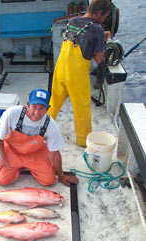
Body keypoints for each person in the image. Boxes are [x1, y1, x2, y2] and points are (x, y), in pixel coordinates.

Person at [48, 0, 112, 147]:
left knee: (54, 104)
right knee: (82, 109)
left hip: (61, 69)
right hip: (76, 76)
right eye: (104, 16)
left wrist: (102, 37)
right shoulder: (97, 30)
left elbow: (83, 36)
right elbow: (98, 57)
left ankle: (41, 131)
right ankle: (83, 141)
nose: (103, 20)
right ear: (98, 13)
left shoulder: (72, 21)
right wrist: (103, 40)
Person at [0, 88, 78, 187]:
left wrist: (61, 175)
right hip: (12, 151)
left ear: (47, 108)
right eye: (34, 107)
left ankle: (24, 166)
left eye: (42, 108)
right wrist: (2, 156)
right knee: (2, 180)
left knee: (49, 180)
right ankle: (20, 166)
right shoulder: (12, 113)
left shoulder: (50, 124)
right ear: (28, 105)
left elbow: (55, 153)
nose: (37, 112)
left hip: (35, 154)